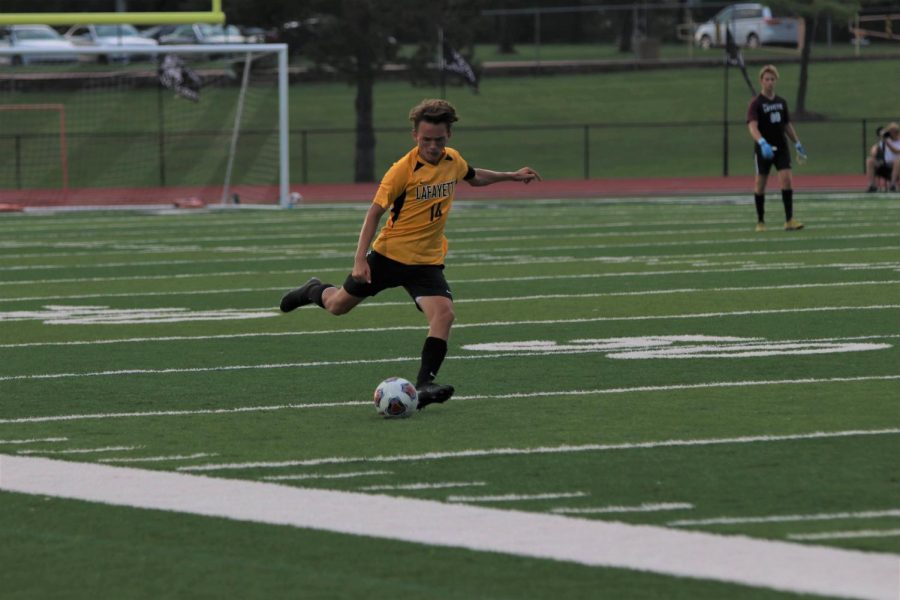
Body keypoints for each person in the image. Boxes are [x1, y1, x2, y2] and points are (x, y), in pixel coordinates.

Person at [279, 98, 541, 409]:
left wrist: (511, 175)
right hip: (388, 257)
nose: (433, 146)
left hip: (427, 262)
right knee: (337, 307)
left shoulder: (452, 160)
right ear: (414, 135)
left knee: (444, 315)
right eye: (427, 140)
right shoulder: (402, 170)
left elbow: (472, 176)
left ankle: (425, 383)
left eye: (439, 140)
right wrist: (360, 259)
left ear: (449, 137)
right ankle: (312, 290)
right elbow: (374, 213)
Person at [746, 64, 807, 232]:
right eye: (767, 79)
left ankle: (789, 220)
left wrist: (797, 143)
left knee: (787, 179)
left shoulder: (781, 103)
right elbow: (752, 126)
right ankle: (760, 221)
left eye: (772, 79)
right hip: (764, 150)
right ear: (761, 81)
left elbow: (786, 124)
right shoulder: (756, 103)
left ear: (776, 81)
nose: (770, 82)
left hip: (781, 148)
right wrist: (762, 142)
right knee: (760, 184)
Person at [866, 126, 891, 193]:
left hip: (893, 163)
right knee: (870, 160)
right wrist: (876, 148)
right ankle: (872, 185)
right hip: (883, 164)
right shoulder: (879, 144)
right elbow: (873, 154)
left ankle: (892, 185)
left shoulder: (895, 141)